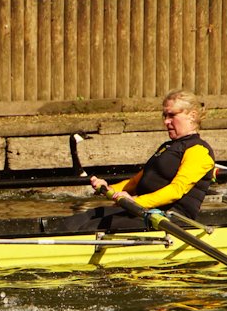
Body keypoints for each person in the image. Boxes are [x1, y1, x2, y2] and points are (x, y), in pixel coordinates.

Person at [60, 89, 216, 232]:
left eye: (172, 115)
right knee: (81, 218)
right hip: (143, 211)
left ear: (192, 115)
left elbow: (175, 191)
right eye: (164, 115)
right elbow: (136, 182)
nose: (166, 121)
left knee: (91, 227)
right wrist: (109, 188)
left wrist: (136, 202)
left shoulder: (199, 151)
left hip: (171, 220)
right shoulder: (167, 147)